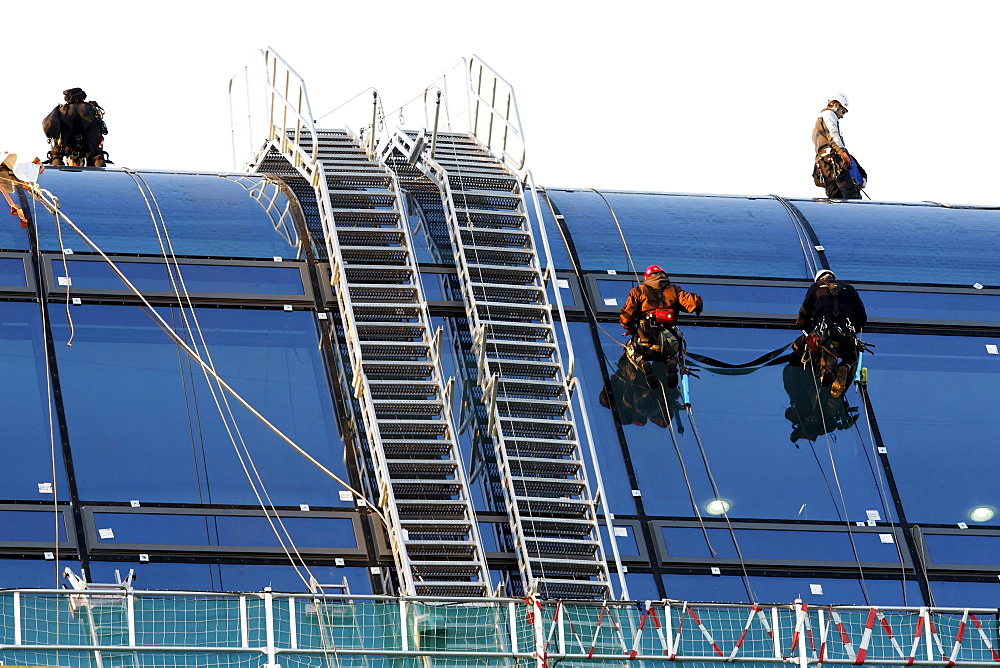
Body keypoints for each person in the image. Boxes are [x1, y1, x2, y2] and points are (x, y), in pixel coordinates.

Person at [619, 265, 703, 388]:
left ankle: (643, 364)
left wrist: (630, 329)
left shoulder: (638, 291)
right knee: (675, 350)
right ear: (664, 275)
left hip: (646, 336)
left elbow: (627, 316)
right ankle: (672, 361)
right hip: (670, 335)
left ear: (647, 277)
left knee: (632, 351)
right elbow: (693, 302)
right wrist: (698, 306)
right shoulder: (674, 290)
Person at [795, 268, 867, 397]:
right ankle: (844, 366)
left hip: (824, 331)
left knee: (816, 349)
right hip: (845, 330)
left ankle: (825, 371)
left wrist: (808, 331)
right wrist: (853, 332)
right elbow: (862, 317)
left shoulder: (816, 287)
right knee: (851, 357)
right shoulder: (849, 288)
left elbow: (802, 316)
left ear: (819, 279)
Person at [812, 92, 863, 199]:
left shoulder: (819, 121)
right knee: (851, 195)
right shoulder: (829, 115)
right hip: (833, 161)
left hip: (824, 165)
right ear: (836, 105)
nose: (842, 116)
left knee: (835, 198)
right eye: (843, 112)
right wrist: (842, 152)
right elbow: (833, 135)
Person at [42, 88, 109, 167]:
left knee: (56, 157)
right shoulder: (91, 109)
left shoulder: (62, 110)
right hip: (87, 147)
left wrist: (56, 156)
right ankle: (98, 169)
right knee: (97, 157)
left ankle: (57, 169)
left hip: (66, 146)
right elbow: (98, 132)